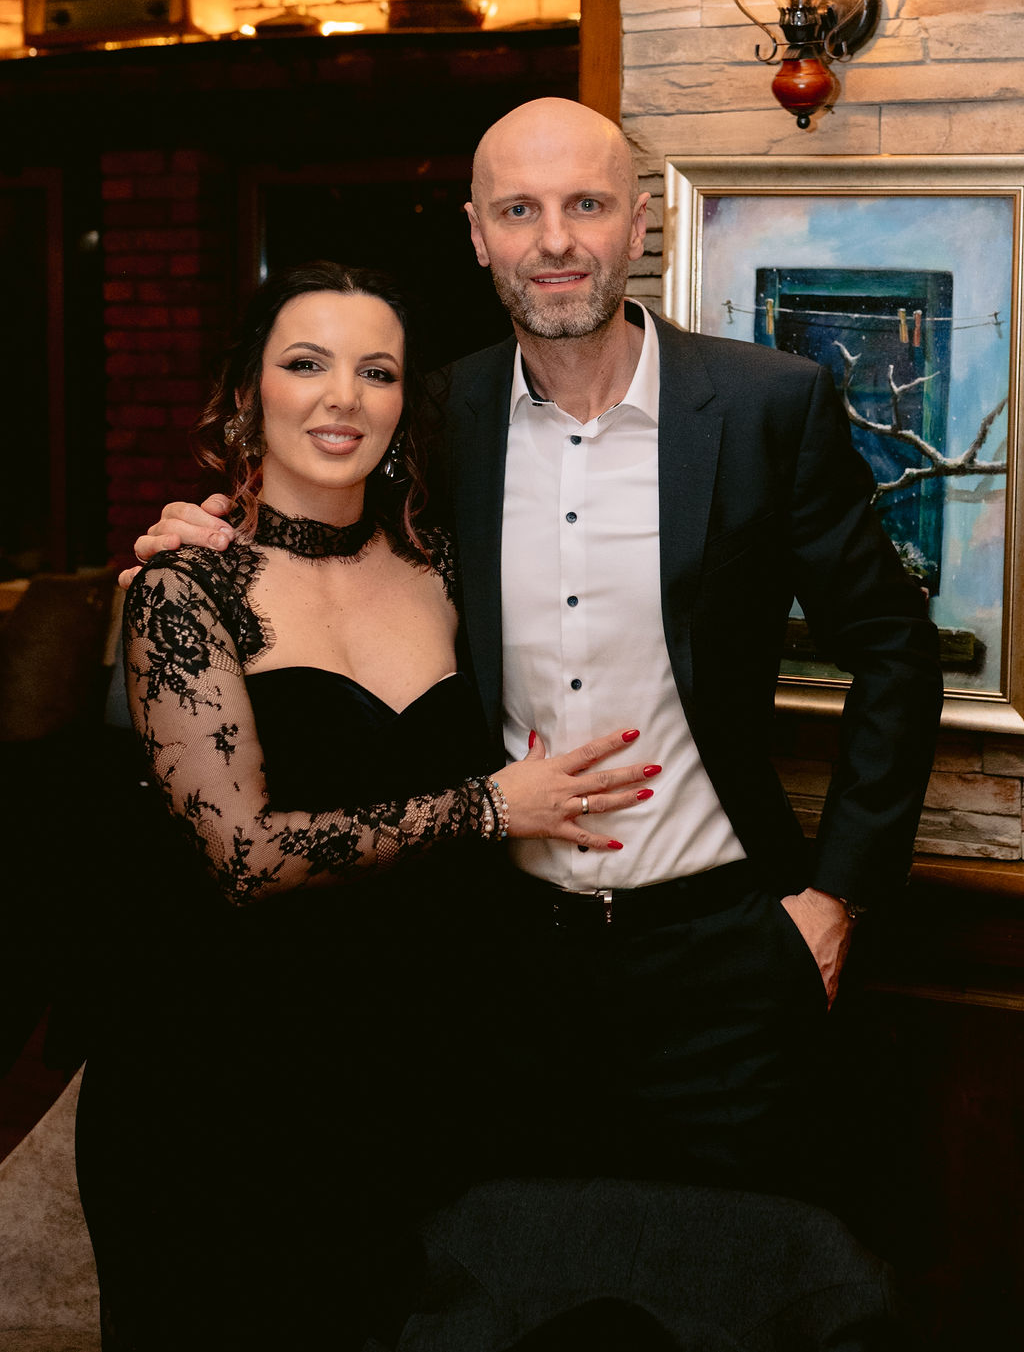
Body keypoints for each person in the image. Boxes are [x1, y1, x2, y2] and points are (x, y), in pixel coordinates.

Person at [127, 100, 944, 1206]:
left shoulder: (765, 406)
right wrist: (199, 537)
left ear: (637, 222)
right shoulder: (434, 416)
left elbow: (895, 648)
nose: (555, 240)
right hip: (497, 967)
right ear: (478, 235)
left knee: (736, 1270)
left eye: (585, 205)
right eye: (519, 210)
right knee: (515, 1272)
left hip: (725, 954)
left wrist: (836, 898)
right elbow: (321, 518)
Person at [81, 259, 658, 1352]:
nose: (342, 397)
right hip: (224, 1073)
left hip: (415, 1059)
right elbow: (245, 855)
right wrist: (488, 807)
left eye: (377, 371)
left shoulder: (448, 565)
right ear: (247, 392)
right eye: (307, 363)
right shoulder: (181, 588)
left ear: (403, 404)